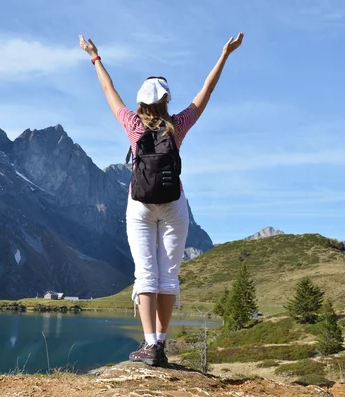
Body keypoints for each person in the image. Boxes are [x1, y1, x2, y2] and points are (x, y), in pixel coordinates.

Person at [79, 32, 244, 366]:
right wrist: (224, 54)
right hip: (174, 203)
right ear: (166, 99)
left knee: (145, 274)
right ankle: (160, 346)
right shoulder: (177, 125)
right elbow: (205, 92)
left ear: (141, 101)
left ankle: (148, 343)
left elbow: (108, 91)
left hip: (138, 203)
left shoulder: (132, 124)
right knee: (168, 275)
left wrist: (95, 57)